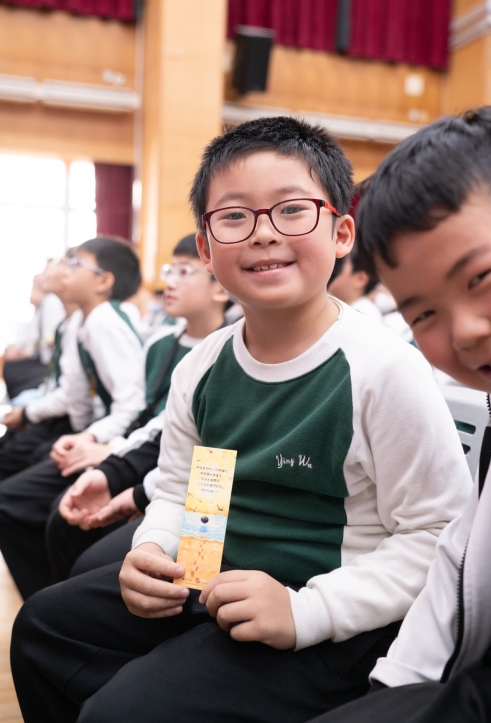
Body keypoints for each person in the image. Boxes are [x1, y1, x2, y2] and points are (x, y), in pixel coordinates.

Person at [10, 116, 471, 723]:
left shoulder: (383, 371)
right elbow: (181, 489)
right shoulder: (201, 367)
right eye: (234, 217)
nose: (264, 233)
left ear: (341, 233)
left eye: (292, 210)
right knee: (43, 628)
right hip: (213, 579)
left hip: (333, 614)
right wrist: (152, 548)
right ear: (206, 249)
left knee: (124, 709)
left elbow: (437, 536)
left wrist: (306, 612)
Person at [301, 107, 491, 723]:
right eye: (424, 314)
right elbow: (459, 558)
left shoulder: (382, 364)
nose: (465, 332)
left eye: (482, 277)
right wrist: (393, 688)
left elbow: (431, 531)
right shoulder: (212, 357)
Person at [45, 232, 231, 580]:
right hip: (175, 479)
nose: (169, 282)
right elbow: (158, 425)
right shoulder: (173, 346)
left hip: (209, 498)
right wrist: (116, 468)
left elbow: (213, 465)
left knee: (100, 564)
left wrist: (139, 494)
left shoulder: (224, 352)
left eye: (185, 272)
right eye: (169, 271)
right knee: (68, 519)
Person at [0, 236, 145, 599]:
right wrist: (82, 434)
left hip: (121, 438)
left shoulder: (103, 322)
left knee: (15, 499)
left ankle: (48, 596)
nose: (66, 271)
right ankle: (46, 594)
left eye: (76, 264)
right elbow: (76, 395)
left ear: (104, 281)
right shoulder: (85, 320)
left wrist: (90, 438)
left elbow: (132, 405)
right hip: (97, 432)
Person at [0, 257, 81, 474]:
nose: (46, 276)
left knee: (16, 452)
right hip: (55, 401)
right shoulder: (67, 320)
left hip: (71, 419)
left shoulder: (85, 322)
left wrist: (27, 413)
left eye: (55, 268)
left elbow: (73, 395)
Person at [3, 268, 66, 399]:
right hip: (42, 360)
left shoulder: (51, 303)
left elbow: (48, 342)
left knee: (13, 370)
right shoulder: (40, 308)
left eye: (35, 288)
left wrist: (27, 353)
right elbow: (33, 340)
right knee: (10, 366)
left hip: (46, 365)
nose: (31, 293)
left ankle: (20, 406)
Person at [327, 245, 382, 322]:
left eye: (339, 265)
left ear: (360, 279)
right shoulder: (346, 310)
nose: (332, 269)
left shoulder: (364, 316)